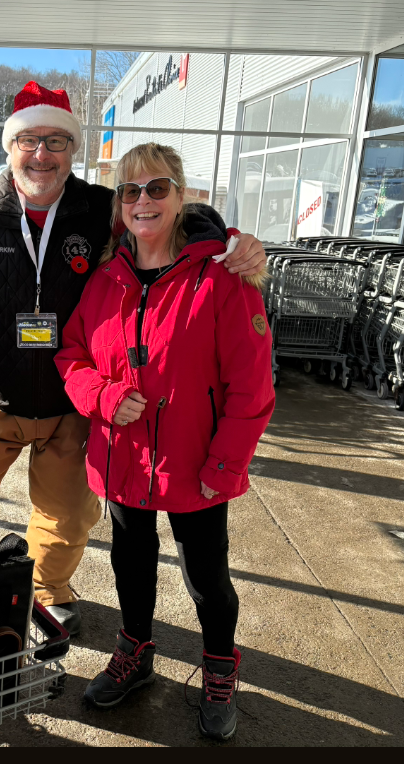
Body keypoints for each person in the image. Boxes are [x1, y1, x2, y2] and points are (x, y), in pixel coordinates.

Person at [0, 82, 267, 636]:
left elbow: (163, 220)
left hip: (71, 406)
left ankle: (47, 592)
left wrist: (229, 238)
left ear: (72, 151)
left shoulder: (97, 209)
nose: (42, 154)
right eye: (30, 140)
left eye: (57, 140)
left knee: (66, 519)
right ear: (10, 147)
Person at [55, 143, 274, 740]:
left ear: (181, 196)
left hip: (194, 464)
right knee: (131, 562)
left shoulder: (223, 278)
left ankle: (220, 669)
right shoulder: (105, 279)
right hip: (123, 457)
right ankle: (136, 653)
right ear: (119, 204)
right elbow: (72, 355)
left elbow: (251, 388)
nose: (143, 200)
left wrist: (226, 463)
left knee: (206, 578)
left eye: (157, 188)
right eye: (130, 191)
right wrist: (102, 395)